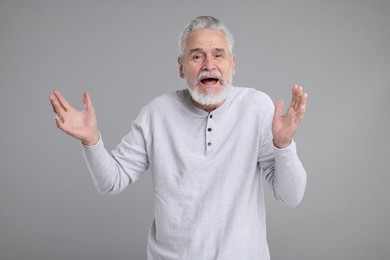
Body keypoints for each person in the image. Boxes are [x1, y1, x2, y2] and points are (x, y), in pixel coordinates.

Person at [49, 16, 308, 260]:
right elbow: (111, 181)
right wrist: (92, 140)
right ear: (181, 67)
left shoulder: (257, 108)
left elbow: (291, 196)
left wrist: (283, 146)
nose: (209, 64)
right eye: (197, 56)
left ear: (233, 64)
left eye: (218, 55)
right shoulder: (157, 114)